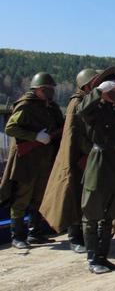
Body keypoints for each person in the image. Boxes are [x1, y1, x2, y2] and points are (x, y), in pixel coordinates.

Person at [0, 72, 65, 249]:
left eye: (52, 89)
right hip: (26, 160)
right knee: (21, 198)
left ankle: (36, 233)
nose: (50, 92)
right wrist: (34, 136)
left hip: (44, 159)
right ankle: (18, 236)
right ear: (37, 89)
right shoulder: (26, 105)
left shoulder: (51, 107)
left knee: (39, 197)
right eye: (47, 89)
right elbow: (11, 128)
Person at [40, 68, 98, 254]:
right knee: (73, 195)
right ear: (87, 84)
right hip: (77, 158)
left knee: (86, 198)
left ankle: (86, 234)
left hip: (89, 157)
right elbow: (76, 134)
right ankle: (75, 237)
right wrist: (91, 151)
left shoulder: (91, 101)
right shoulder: (77, 102)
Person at [76, 69, 115, 274]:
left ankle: (102, 257)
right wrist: (97, 91)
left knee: (109, 216)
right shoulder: (95, 109)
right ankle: (92, 259)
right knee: (92, 215)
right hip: (99, 164)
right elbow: (81, 110)